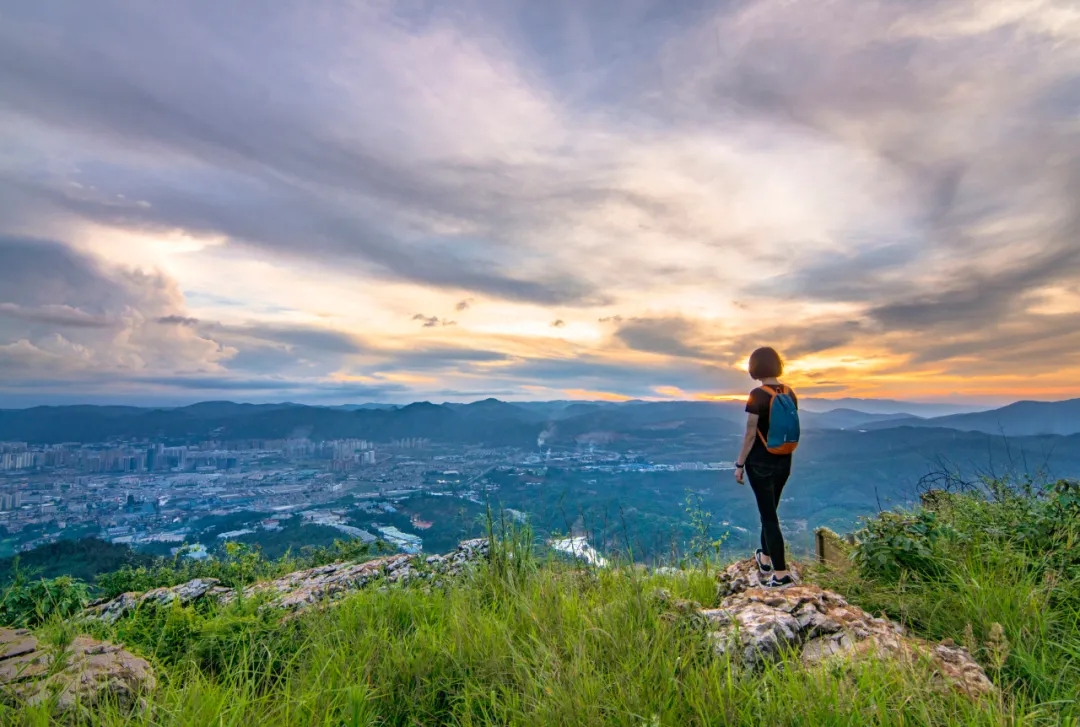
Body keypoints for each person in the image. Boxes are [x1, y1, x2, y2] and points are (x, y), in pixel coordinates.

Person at [733, 346, 798, 589]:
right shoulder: (789, 392)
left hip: (760, 463)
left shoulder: (757, 395)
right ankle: (766, 558)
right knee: (769, 511)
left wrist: (740, 463)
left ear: (755, 367)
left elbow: (751, 434)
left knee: (769, 517)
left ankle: (780, 575)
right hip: (784, 460)